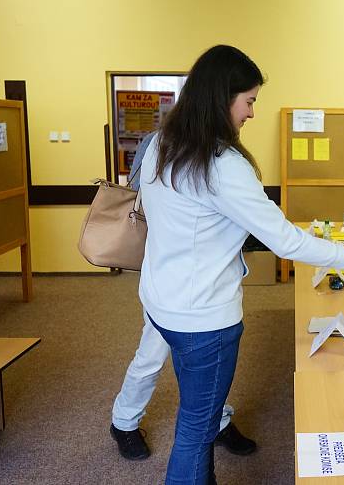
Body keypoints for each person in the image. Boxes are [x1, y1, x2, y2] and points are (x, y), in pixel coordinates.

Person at [137, 45, 344, 484]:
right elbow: (285, 241)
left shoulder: (163, 144)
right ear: (223, 98)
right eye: (249, 101)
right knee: (196, 430)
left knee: (196, 415)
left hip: (163, 302)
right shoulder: (221, 164)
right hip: (203, 318)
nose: (251, 113)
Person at [109, 130, 253, 461]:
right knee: (152, 354)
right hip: (169, 279)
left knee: (208, 364)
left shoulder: (220, 147)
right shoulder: (158, 142)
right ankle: (124, 422)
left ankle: (216, 422)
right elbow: (139, 194)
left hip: (206, 281)